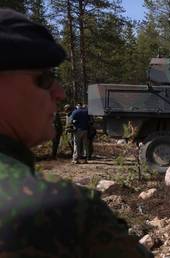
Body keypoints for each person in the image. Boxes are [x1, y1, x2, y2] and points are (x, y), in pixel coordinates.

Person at [0, 9, 153, 257]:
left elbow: (73, 123)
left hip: (77, 132)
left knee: (78, 150)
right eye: (45, 79)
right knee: (81, 149)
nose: (59, 92)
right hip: (81, 133)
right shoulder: (65, 210)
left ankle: (78, 158)